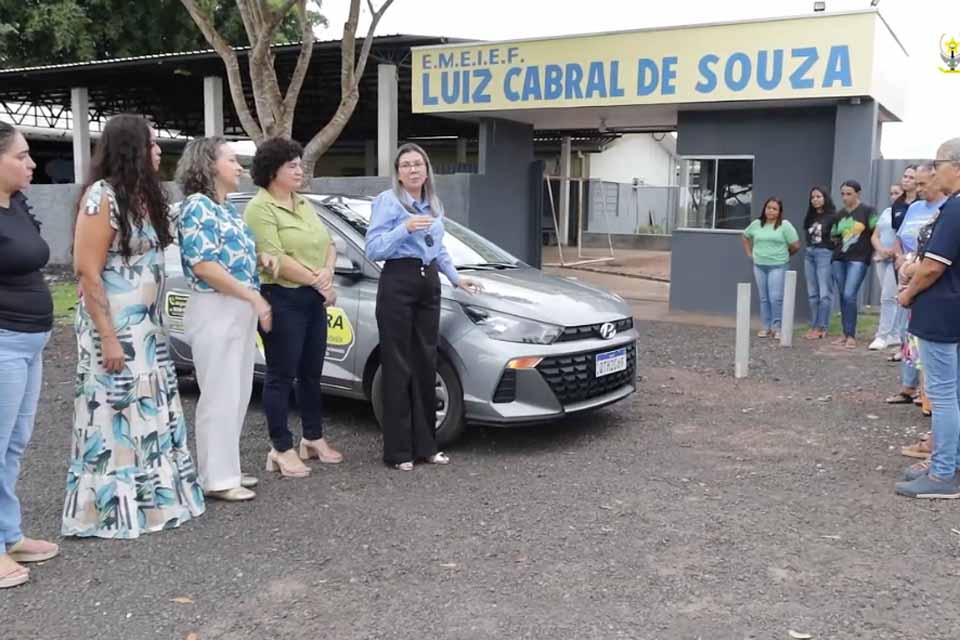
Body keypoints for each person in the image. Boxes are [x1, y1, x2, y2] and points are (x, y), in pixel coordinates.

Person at [63, 114, 205, 538]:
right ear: (132, 149)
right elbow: (86, 271)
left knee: (149, 407)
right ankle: (111, 508)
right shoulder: (101, 197)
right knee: (117, 411)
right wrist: (107, 335)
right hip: (114, 326)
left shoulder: (145, 197)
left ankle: (153, 503)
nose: (159, 151)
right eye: (152, 144)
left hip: (146, 326)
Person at [365, 143, 483, 470]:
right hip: (398, 280)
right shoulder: (387, 203)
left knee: (425, 362)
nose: (413, 170)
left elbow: (438, 247)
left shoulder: (433, 204)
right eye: (406, 165)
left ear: (427, 170)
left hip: (428, 282)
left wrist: (456, 278)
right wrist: (404, 228)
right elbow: (372, 248)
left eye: (418, 164)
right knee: (398, 364)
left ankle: (427, 446)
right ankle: (399, 451)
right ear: (398, 173)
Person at [175, 137, 273, 502]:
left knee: (238, 390)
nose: (239, 166)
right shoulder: (197, 207)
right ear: (210, 165)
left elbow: (231, 256)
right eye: (231, 160)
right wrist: (252, 295)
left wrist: (261, 261)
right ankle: (215, 477)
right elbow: (204, 265)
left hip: (237, 307)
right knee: (218, 392)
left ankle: (227, 467)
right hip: (216, 305)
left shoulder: (226, 208)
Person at [244, 137, 340, 478]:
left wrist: (326, 274)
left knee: (312, 372)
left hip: (313, 298)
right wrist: (318, 281)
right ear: (273, 171)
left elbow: (328, 243)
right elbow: (275, 260)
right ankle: (280, 447)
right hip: (282, 298)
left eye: (300, 164)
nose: (300, 170)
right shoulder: (260, 208)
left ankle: (313, 438)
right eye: (293, 165)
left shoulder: (302, 203)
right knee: (281, 375)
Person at [0, 123, 58, 588]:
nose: (32, 164)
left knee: (14, 446)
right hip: (2, 343)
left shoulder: (16, 204)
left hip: (30, 342)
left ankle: (8, 534)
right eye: (21, 156)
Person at [894, 138, 960, 498]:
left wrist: (907, 293)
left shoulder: (955, 209)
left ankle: (943, 474)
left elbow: (934, 267)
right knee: (955, 392)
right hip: (953, 309)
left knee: (944, 394)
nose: (935, 171)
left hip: (941, 311)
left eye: (939, 164)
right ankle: (950, 463)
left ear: (957, 166)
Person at [886, 165, 947, 405]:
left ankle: (928, 395)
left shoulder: (947, 209)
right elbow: (901, 238)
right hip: (907, 271)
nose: (918, 189)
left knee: (925, 334)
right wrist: (901, 259)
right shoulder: (914, 208)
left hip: (928, 276)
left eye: (923, 184)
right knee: (906, 331)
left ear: (937, 179)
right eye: (916, 184)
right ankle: (907, 386)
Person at [741, 197, 800, 340]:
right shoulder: (756, 224)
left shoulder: (785, 225)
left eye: (775, 209)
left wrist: (785, 254)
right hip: (760, 265)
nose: (771, 211)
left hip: (778, 266)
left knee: (775, 297)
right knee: (764, 298)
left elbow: (796, 245)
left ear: (780, 212)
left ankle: (777, 327)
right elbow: (745, 236)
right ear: (764, 209)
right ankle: (765, 327)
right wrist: (750, 254)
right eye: (768, 207)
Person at [830, 180, 877, 348]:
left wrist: (876, 251)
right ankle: (845, 333)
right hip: (839, 259)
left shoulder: (868, 211)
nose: (845, 197)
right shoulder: (839, 214)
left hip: (859, 259)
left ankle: (851, 335)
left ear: (858, 193)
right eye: (842, 193)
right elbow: (834, 235)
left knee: (850, 294)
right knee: (843, 295)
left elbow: (876, 231)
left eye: (849, 193)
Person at [868, 183, 906, 350]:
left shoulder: (907, 211)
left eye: (896, 192)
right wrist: (880, 249)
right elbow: (875, 235)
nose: (893, 196)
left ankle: (883, 335)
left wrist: (892, 252)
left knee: (889, 296)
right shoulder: (885, 212)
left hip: (896, 258)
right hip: (881, 258)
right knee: (889, 297)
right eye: (891, 193)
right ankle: (893, 333)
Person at [802, 186, 837, 339]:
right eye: (813, 197)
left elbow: (837, 238)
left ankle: (822, 327)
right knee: (812, 294)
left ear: (825, 198)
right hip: (810, 253)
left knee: (824, 293)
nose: (815, 200)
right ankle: (814, 325)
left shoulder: (833, 216)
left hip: (825, 254)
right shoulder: (810, 217)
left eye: (818, 196)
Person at [890, 164, 919, 232]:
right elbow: (895, 229)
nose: (906, 180)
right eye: (905, 177)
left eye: (911, 178)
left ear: (918, 181)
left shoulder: (923, 202)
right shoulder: (897, 203)